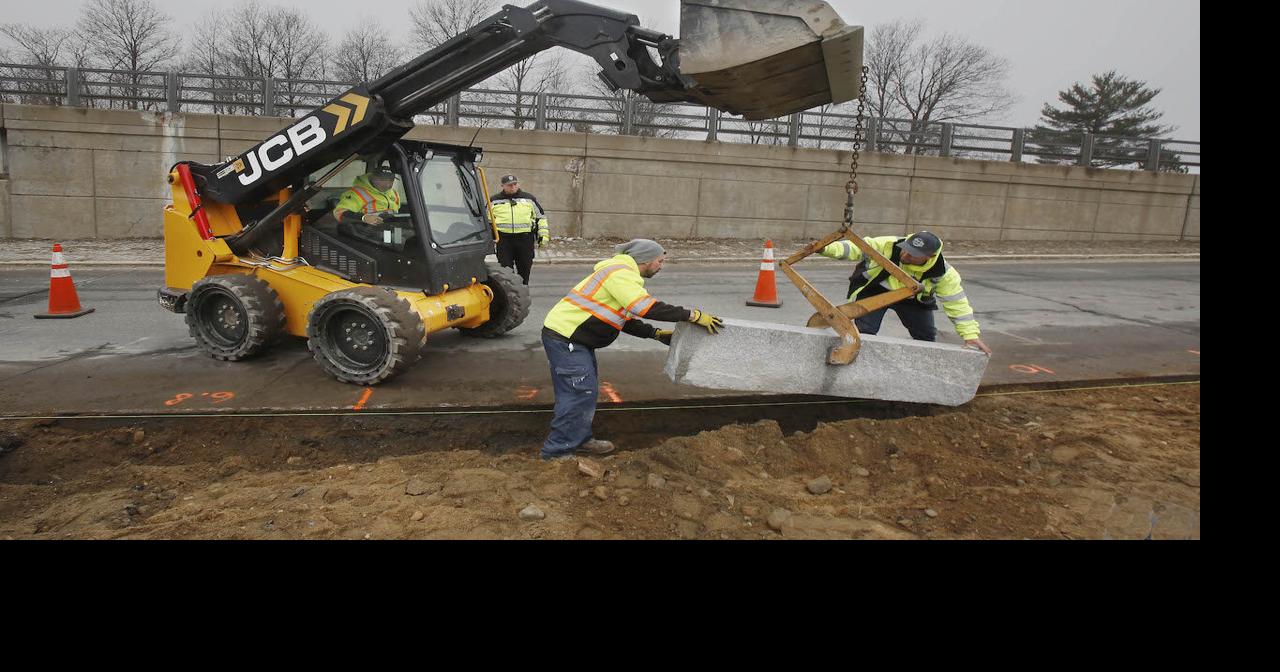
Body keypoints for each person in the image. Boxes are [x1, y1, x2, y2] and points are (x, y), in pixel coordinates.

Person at [540, 239, 724, 460]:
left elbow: (623, 319)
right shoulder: (620, 273)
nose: (661, 266)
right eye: (660, 261)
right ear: (645, 260)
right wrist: (692, 315)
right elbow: (644, 307)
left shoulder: (621, 275)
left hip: (575, 338)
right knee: (578, 393)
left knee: (584, 392)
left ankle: (579, 439)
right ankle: (557, 452)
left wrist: (655, 334)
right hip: (566, 337)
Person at [820, 230, 992, 354]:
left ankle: (923, 367)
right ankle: (859, 361)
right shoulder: (889, 244)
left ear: (930, 257)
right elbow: (856, 248)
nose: (906, 255)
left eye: (914, 254)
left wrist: (970, 335)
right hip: (877, 291)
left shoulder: (944, 273)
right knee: (865, 331)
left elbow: (957, 304)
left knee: (926, 337)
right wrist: (825, 248)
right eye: (906, 248)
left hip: (913, 300)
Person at [489, 174, 548, 285]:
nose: (513, 187)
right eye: (509, 185)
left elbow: (540, 217)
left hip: (525, 240)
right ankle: (509, 296)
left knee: (524, 270)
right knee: (506, 272)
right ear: (502, 186)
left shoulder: (529, 199)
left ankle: (523, 292)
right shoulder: (494, 200)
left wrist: (543, 235)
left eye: (515, 184)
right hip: (504, 241)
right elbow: (487, 220)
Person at [332, 169, 401, 225]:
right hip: (366, 230)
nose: (388, 185)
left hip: (391, 226)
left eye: (391, 180)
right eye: (383, 180)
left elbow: (398, 211)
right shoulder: (356, 193)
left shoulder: (393, 192)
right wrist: (364, 218)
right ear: (373, 179)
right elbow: (339, 213)